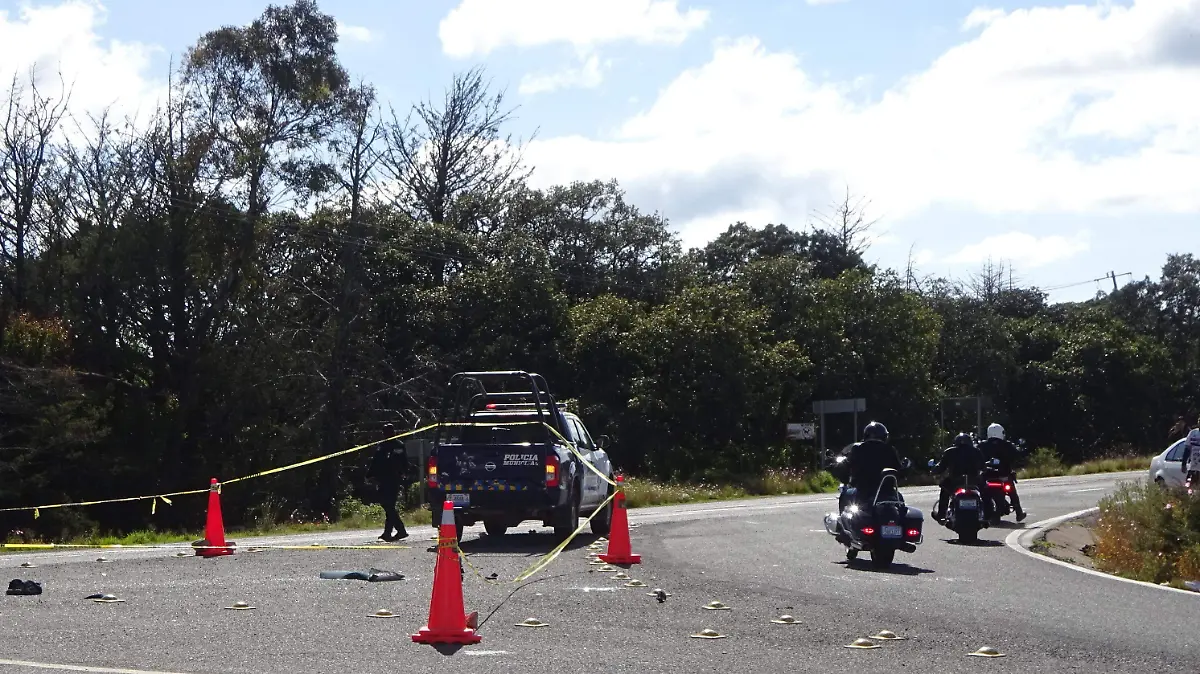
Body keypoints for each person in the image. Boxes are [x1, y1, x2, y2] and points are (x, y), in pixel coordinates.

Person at [836, 421, 904, 513]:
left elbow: (847, 467)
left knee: (845, 494)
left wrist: (842, 470)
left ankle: (843, 520)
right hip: (887, 491)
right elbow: (898, 470)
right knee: (900, 501)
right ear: (884, 436)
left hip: (862, 491)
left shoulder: (858, 449)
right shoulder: (890, 449)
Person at [930, 432, 988, 522]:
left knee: (944, 491)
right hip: (974, 481)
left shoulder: (950, 452)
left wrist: (933, 471)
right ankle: (988, 514)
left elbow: (941, 467)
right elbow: (983, 467)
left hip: (955, 481)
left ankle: (941, 514)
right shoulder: (976, 451)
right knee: (985, 492)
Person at [367, 423, 410, 541]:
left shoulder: (397, 445)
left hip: (393, 479)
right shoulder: (382, 446)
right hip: (384, 479)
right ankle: (389, 532)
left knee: (388, 505)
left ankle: (399, 530)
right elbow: (375, 462)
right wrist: (370, 475)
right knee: (388, 505)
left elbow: (404, 461)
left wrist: (405, 473)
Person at [978, 422, 1026, 521]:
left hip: (987, 475)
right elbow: (1017, 457)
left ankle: (981, 511)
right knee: (1012, 492)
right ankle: (1019, 512)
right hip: (1003, 475)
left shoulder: (982, 445)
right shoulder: (1007, 445)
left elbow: (976, 458)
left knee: (981, 489)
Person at [1181, 416, 1200, 491]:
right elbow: (1187, 449)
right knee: (1191, 489)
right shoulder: (1193, 433)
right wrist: (1183, 463)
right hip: (1193, 467)